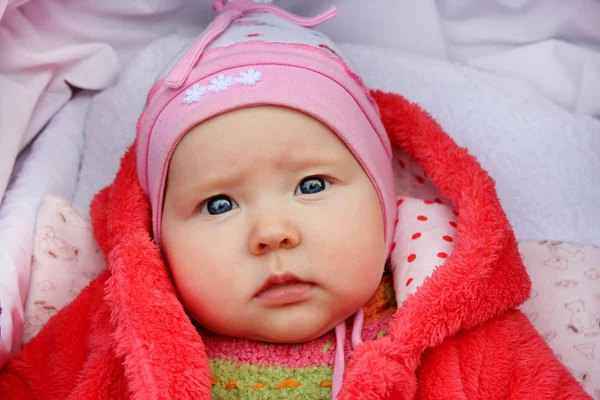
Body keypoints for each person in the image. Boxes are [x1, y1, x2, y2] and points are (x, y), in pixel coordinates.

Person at [0, 1, 590, 399]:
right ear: (158, 241)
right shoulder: (118, 326)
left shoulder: (458, 329)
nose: (272, 232)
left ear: (384, 208)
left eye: (311, 186)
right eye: (218, 204)